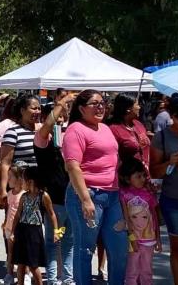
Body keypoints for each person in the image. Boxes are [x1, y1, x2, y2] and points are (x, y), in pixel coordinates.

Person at [62, 89, 127, 285]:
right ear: (81, 109)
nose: (100, 106)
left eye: (103, 102)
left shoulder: (105, 128)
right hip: (88, 195)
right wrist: (85, 199)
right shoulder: (75, 129)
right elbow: (72, 166)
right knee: (85, 249)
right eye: (95, 103)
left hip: (112, 195)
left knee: (119, 248)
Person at [148, 94, 178, 285]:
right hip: (174, 199)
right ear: (170, 116)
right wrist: (169, 162)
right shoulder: (162, 137)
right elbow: (154, 171)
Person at [34, 96, 74, 285]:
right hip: (54, 200)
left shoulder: (68, 138)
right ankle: (52, 280)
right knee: (53, 242)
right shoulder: (43, 140)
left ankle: (67, 279)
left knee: (69, 242)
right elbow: (47, 126)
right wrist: (60, 103)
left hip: (72, 198)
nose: (59, 121)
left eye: (62, 118)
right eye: (55, 118)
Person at [10, 166, 59, 285]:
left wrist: (56, 231)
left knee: (33, 264)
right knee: (21, 263)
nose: (22, 182)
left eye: (24, 179)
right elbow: (17, 215)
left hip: (34, 232)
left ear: (31, 181)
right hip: (22, 229)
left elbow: (52, 214)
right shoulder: (24, 196)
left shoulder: (43, 196)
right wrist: (12, 232)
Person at [119, 157, 161, 285]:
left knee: (146, 271)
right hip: (132, 241)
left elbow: (154, 217)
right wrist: (132, 239)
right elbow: (126, 219)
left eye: (143, 176)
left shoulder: (148, 194)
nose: (142, 179)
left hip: (149, 240)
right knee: (132, 272)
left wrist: (158, 238)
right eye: (138, 176)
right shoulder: (123, 194)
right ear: (127, 179)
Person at [0, 94, 41, 208]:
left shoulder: (42, 131)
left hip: (39, 188)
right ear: (22, 110)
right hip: (20, 190)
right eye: (33, 108)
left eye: (39, 108)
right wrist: (2, 190)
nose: (37, 111)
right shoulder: (12, 132)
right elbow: (5, 163)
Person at [108, 93, 151, 175]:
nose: (139, 107)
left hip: (145, 175)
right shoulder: (113, 129)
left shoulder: (138, 124)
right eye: (137, 104)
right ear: (128, 109)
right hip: (127, 178)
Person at [3, 165, 25, 285]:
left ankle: (25, 275)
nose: (8, 179)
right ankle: (9, 274)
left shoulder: (24, 194)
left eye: (11, 176)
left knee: (22, 253)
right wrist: (5, 224)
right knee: (10, 252)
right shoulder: (9, 193)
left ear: (19, 179)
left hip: (21, 229)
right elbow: (9, 210)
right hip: (9, 227)